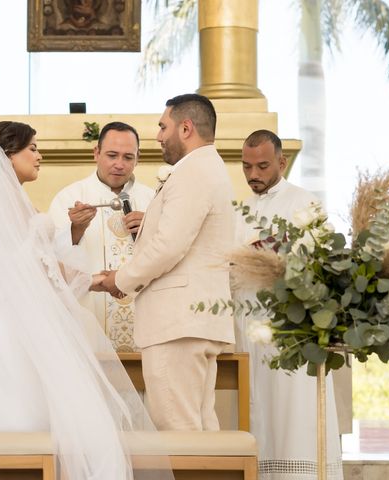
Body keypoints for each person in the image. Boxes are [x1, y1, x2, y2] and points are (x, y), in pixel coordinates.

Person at [0, 121, 172, 480]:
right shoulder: (23, 203)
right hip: (15, 326)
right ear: (7, 157)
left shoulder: (10, 202)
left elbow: (39, 263)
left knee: (24, 420)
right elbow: (43, 267)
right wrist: (99, 279)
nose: (40, 156)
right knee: (27, 421)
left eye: (128, 156)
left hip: (9, 319)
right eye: (32, 149)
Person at [101, 94, 236, 431]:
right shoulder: (208, 168)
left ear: (186, 128)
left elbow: (168, 246)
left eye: (164, 127)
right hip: (193, 320)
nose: (159, 135)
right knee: (200, 432)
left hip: (177, 323)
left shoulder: (193, 171)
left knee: (178, 434)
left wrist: (121, 280)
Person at [233, 129, 343, 479]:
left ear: (282, 162)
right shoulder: (238, 210)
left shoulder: (305, 203)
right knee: (257, 405)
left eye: (263, 166)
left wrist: (279, 254)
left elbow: (324, 260)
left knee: (295, 406)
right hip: (248, 327)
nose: (254, 175)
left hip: (291, 328)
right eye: (247, 167)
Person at [48, 122, 153, 351]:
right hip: (89, 315)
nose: (119, 164)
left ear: (138, 158)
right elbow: (51, 262)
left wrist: (152, 226)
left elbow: (170, 250)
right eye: (112, 155)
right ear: (96, 153)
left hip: (145, 316)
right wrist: (76, 229)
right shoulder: (70, 197)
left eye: (128, 157)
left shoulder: (152, 199)